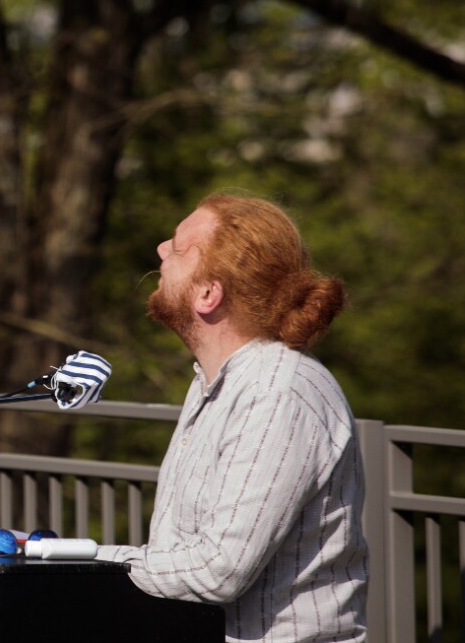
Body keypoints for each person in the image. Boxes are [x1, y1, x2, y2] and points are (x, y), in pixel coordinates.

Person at [97, 193, 367, 642]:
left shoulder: (278, 392)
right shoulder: (218, 380)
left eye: (180, 248)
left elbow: (218, 569)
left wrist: (78, 560)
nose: (162, 249)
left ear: (208, 294)